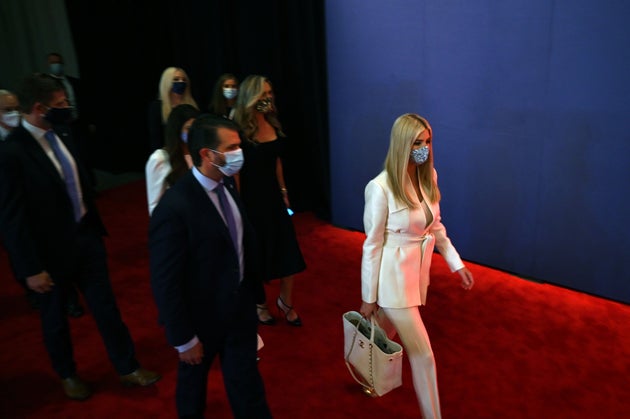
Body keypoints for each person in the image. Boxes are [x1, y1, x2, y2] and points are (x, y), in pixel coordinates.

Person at [0, 73, 161, 401]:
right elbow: (12, 218)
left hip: (86, 240)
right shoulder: (12, 153)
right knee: (55, 319)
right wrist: (30, 268)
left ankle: (127, 366)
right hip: (48, 255)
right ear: (39, 108)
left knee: (107, 309)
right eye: (60, 104)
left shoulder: (64, 131)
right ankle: (67, 374)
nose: (67, 108)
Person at [149, 114, 272, 418]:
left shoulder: (227, 184)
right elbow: (166, 280)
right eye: (231, 148)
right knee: (193, 392)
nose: (238, 153)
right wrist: (183, 339)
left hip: (239, 309)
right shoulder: (174, 206)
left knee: (248, 388)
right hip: (200, 320)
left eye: (238, 146)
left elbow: (241, 243)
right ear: (206, 154)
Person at [359, 113, 474, 418]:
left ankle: (365, 373)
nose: (424, 148)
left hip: (417, 275)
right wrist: (368, 297)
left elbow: (435, 226)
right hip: (392, 281)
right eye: (417, 143)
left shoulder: (429, 176)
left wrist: (455, 263)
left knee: (383, 333)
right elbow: (371, 244)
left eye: (427, 141)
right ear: (402, 145)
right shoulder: (380, 188)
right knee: (423, 353)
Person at [233, 75, 306, 327]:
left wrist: (284, 190)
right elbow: (237, 172)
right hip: (252, 203)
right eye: (262, 94)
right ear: (250, 97)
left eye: (269, 94)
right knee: (258, 255)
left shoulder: (273, 124)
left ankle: (285, 302)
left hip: (274, 200)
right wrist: (239, 207)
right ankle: (259, 304)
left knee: (288, 252)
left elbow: (276, 162)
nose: (267, 99)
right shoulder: (239, 130)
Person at [145, 103, 200, 215]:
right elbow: (155, 206)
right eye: (189, 129)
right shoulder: (159, 159)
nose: (193, 133)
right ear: (177, 129)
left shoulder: (199, 153)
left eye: (196, 128)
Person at [147, 67, 198, 153]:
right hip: (167, 153)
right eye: (176, 79)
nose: (181, 82)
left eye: (183, 79)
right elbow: (155, 137)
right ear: (167, 82)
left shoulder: (191, 105)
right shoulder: (157, 107)